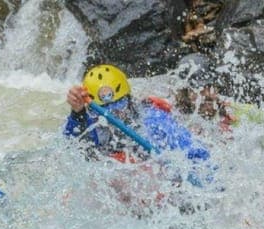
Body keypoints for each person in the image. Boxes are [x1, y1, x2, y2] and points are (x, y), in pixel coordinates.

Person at [63, 64, 213, 187]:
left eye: (119, 106)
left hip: (161, 187)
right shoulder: (90, 121)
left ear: (129, 99)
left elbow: (197, 154)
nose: (114, 116)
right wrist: (77, 113)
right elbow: (69, 146)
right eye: (106, 110)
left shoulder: (154, 121)